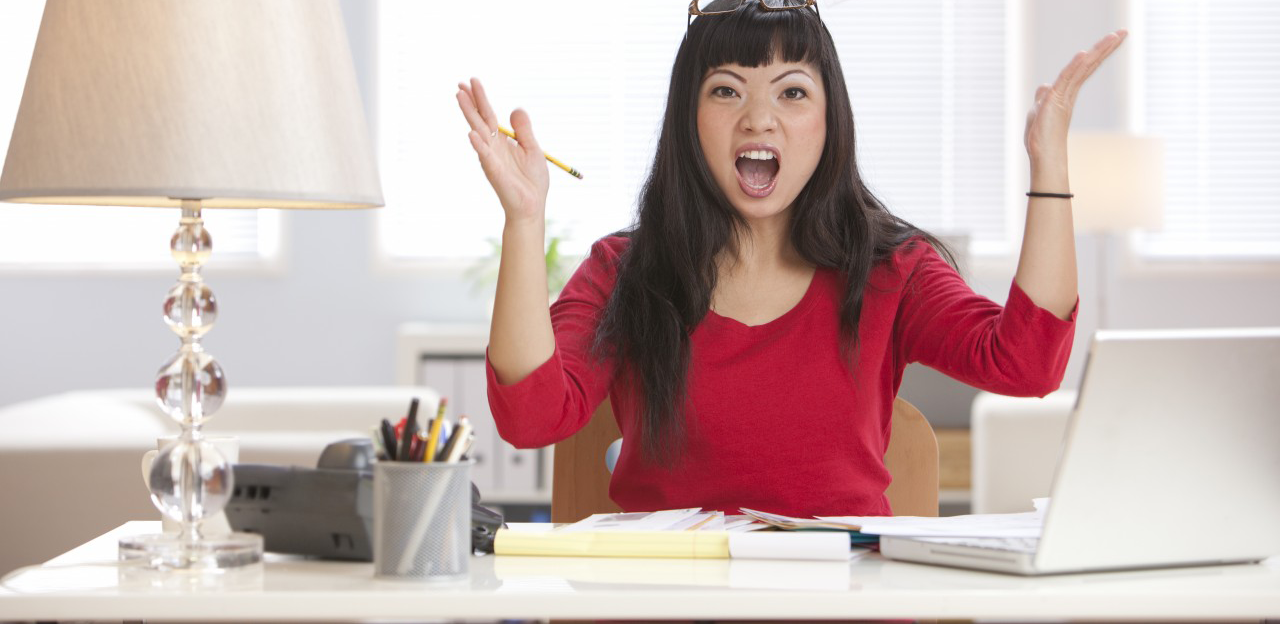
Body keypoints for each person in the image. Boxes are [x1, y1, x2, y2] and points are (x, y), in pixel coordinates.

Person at [456, 0, 1125, 517]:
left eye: (792, 92)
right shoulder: (624, 269)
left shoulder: (895, 268)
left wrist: (1050, 164)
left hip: (840, 603)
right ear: (688, 119)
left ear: (828, 119)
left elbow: (1028, 362)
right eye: (726, 90)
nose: (759, 119)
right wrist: (524, 219)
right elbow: (531, 417)